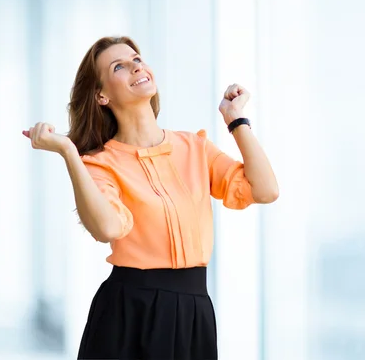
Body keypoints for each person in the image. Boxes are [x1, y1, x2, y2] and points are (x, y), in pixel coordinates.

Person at [22, 36, 278, 360]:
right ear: (101, 95)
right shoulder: (101, 163)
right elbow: (107, 228)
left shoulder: (194, 148)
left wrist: (236, 120)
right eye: (119, 66)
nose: (135, 67)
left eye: (136, 59)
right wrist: (69, 153)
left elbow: (265, 190)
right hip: (129, 313)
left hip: (194, 312)